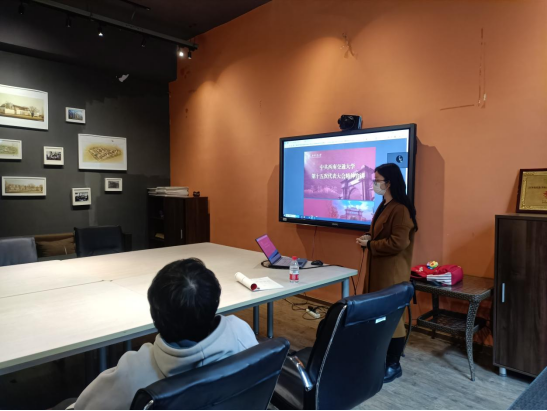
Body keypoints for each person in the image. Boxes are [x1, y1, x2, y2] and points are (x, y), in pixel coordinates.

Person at [73, 258, 259, 410]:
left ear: (155, 316)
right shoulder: (241, 333)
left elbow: (83, 406)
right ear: (215, 303)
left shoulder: (131, 374)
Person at [356, 163, 418, 384]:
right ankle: (379, 356)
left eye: (377, 180)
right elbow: (381, 233)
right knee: (380, 314)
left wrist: (371, 245)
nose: (374, 184)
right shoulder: (385, 204)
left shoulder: (400, 209)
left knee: (394, 318)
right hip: (379, 269)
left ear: (389, 182)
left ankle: (393, 364)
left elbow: (398, 242)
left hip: (391, 272)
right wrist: (368, 238)